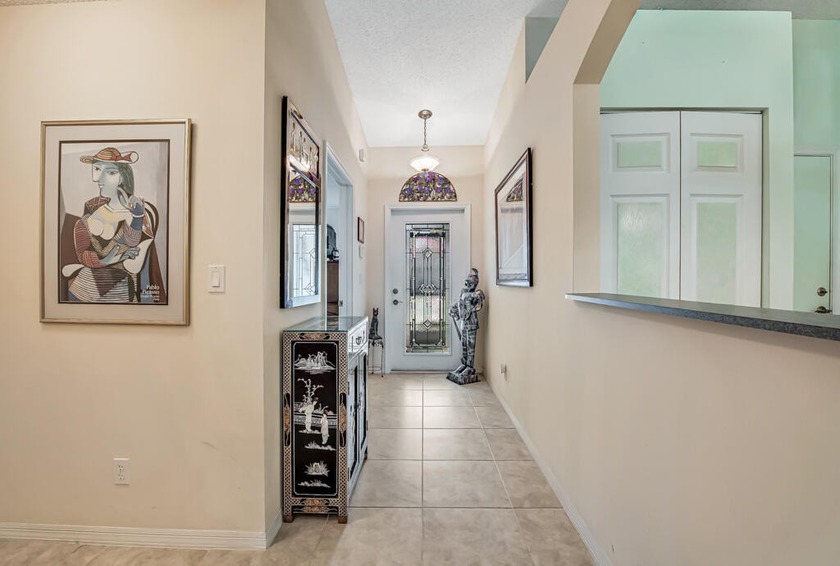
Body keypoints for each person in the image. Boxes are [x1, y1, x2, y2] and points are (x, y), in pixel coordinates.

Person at [61, 147, 166, 304]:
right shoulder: (89, 211)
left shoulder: (136, 211)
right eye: (97, 170)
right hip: (83, 288)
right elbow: (83, 254)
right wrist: (105, 261)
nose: (100, 179)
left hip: (120, 290)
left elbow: (133, 247)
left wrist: (137, 217)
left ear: (122, 177)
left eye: (110, 172)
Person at [448, 268, 486, 384]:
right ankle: (464, 365)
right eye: (467, 281)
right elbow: (460, 303)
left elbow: (479, 301)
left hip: (472, 324)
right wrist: (453, 309)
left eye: (470, 282)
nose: (467, 284)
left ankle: (470, 367)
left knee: (470, 348)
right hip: (463, 324)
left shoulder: (475, 294)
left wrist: (478, 295)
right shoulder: (463, 293)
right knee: (464, 345)